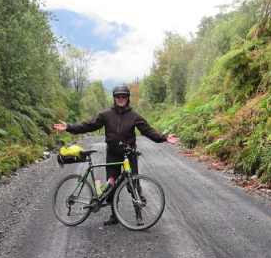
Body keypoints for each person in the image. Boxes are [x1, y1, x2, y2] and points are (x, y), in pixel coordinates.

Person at [53, 84, 179, 225]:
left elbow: (147, 130)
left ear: (127, 98)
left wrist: (164, 137)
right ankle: (114, 216)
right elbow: (88, 125)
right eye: (118, 96)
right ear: (114, 98)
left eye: (123, 96)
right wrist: (69, 127)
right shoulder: (106, 115)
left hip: (129, 154)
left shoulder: (134, 116)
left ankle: (139, 215)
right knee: (110, 186)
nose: (121, 98)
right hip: (112, 154)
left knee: (134, 185)